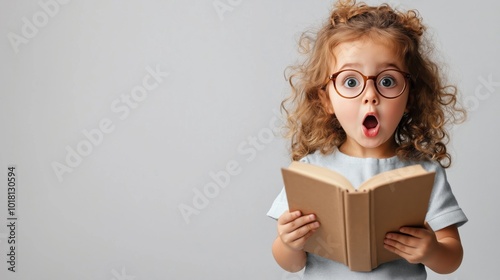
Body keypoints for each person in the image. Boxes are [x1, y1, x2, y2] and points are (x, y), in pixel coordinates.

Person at [267, 1, 468, 279]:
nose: (370, 95)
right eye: (351, 82)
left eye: (387, 81)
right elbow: (290, 264)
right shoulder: (310, 171)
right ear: (326, 99)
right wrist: (289, 242)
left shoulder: (425, 174)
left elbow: (451, 258)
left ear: (410, 96)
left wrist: (431, 250)